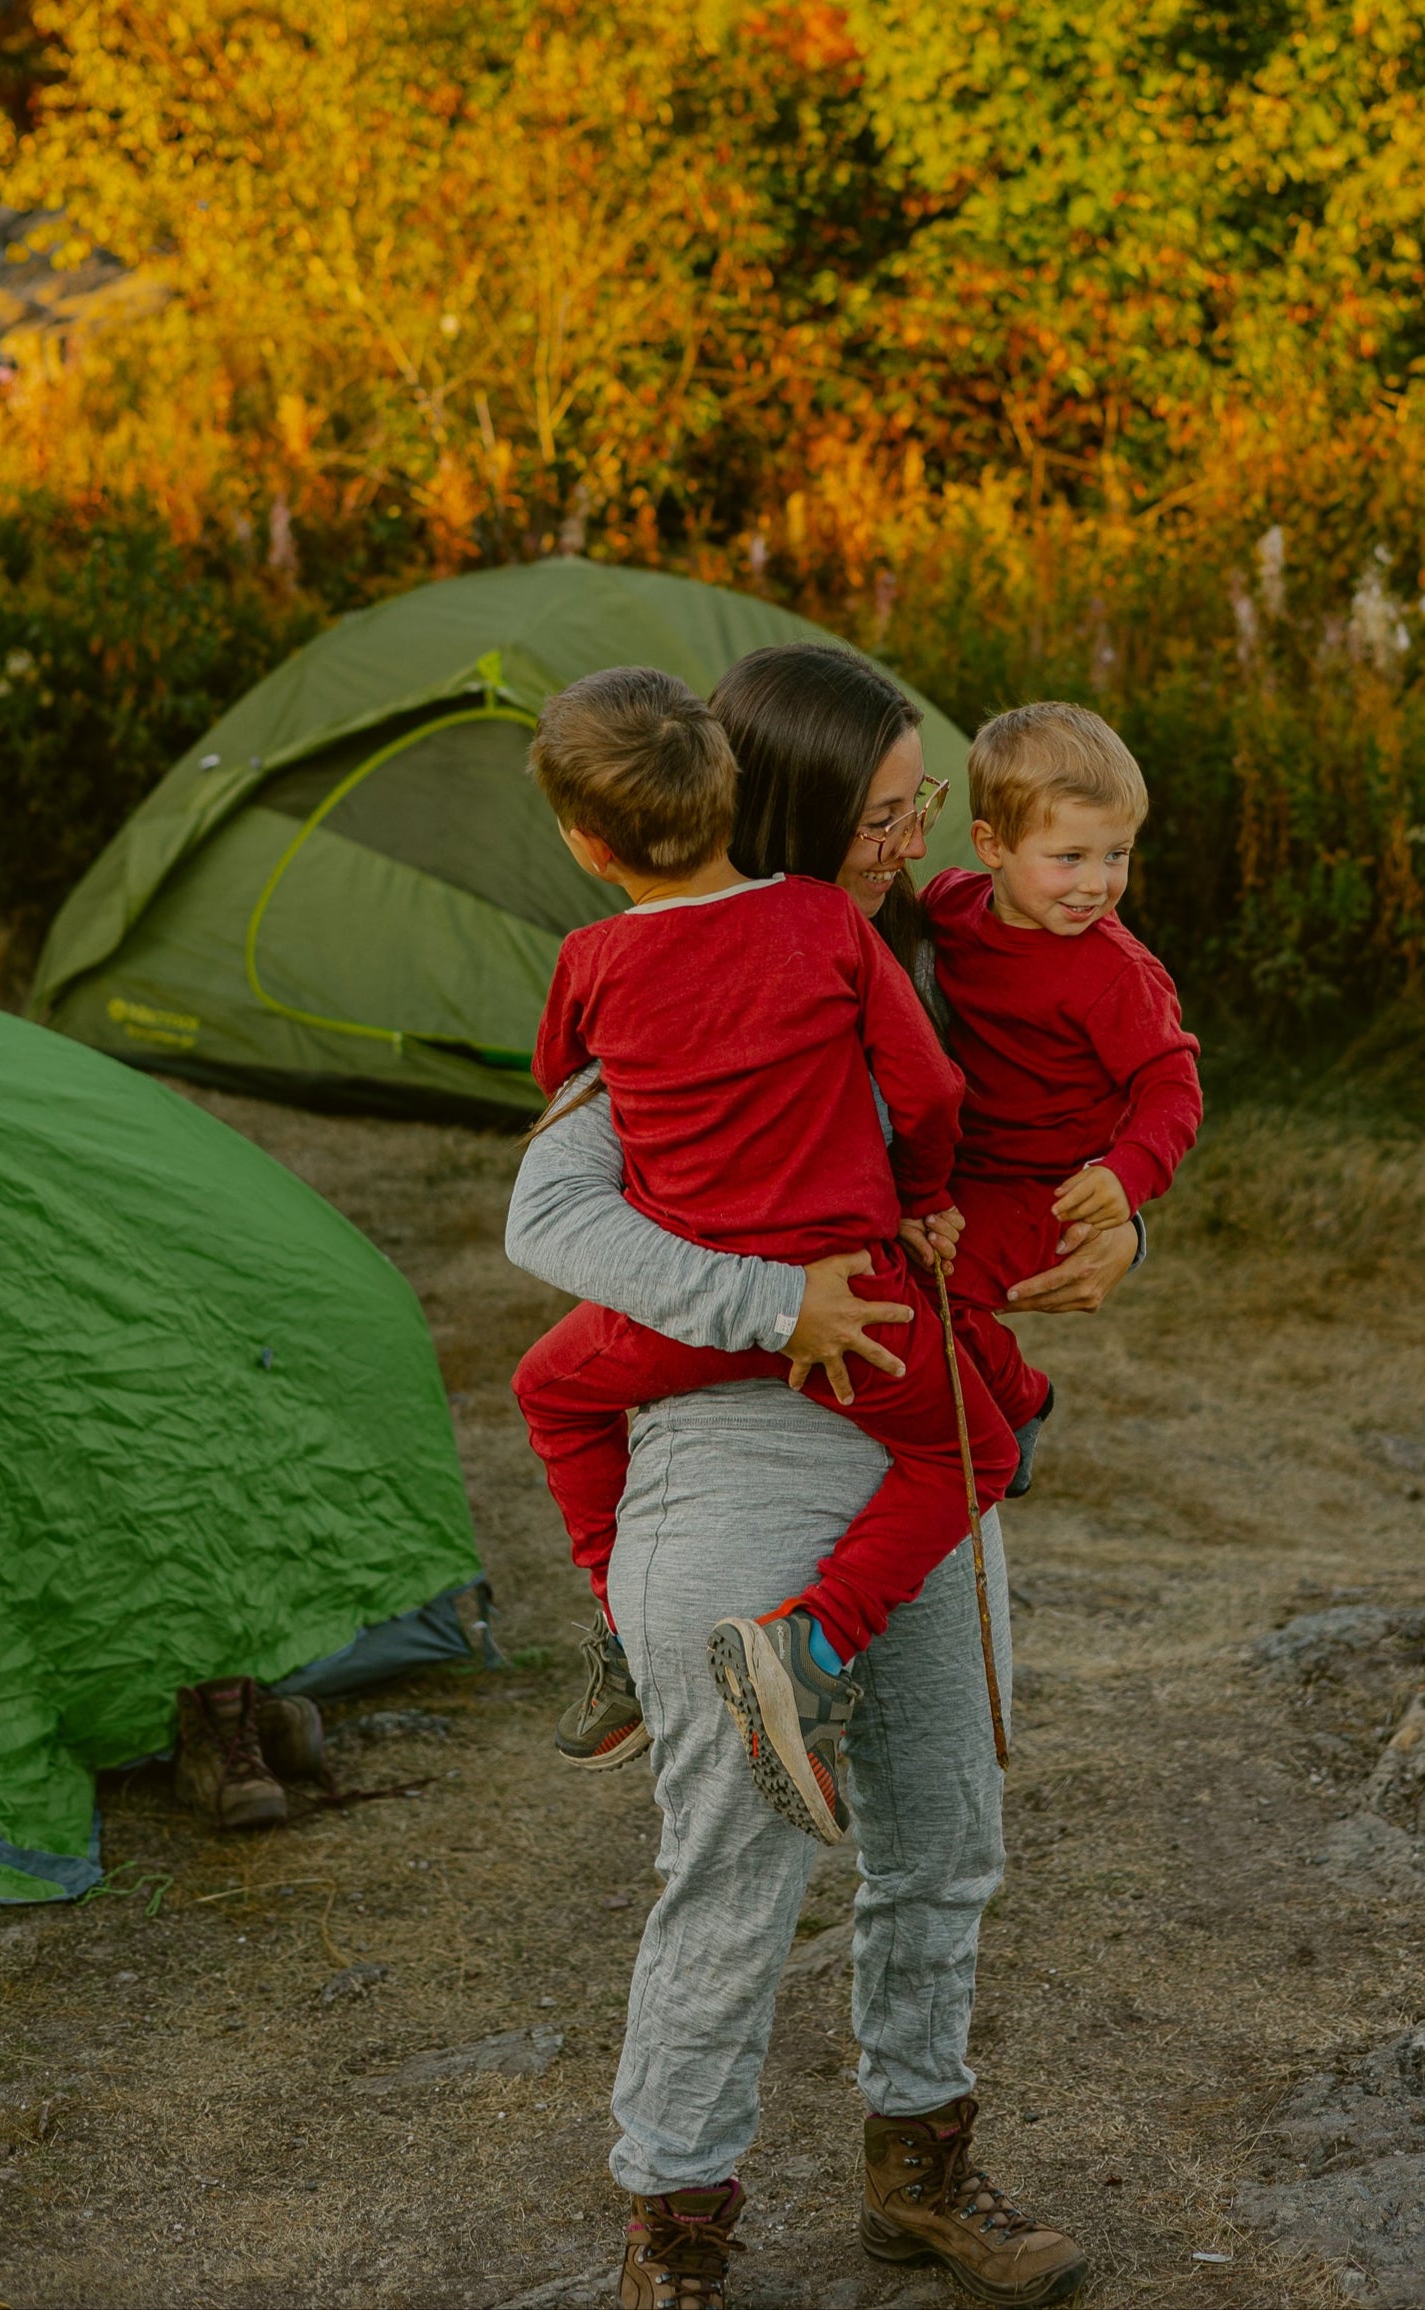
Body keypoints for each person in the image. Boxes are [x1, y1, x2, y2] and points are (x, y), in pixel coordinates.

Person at [506, 643, 1142, 2308]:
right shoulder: (679, 968)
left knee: (945, 1833)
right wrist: (771, 1298)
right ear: (785, 808)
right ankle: (678, 2232)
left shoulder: (923, 954)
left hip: (919, 1439)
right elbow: (554, 1215)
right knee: (735, 1866)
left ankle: (918, 2173)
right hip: (741, 1444)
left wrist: (1121, 1199)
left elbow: (1074, 1098)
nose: (915, 845)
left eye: (926, 813)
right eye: (884, 817)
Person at [514, 665, 1015, 1844]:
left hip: (677, 1327)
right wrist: (918, 1193)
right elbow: (932, 1092)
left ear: (588, 846)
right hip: (856, 1295)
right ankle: (813, 1643)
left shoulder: (590, 960)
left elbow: (558, 1077)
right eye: (884, 816)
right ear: (741, 785)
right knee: (972, 1453)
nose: (907, 838)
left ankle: (623, 1638)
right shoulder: (827, 923)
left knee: (548, 1391)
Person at [917, 700, 1202, 1495]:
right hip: (969, 1168)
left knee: (930, 1292)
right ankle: (989, 1406)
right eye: (1069, 856)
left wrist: (1127, 1174)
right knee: (905, 1274)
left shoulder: (1116, 974)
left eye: (1118, 854)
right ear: (992, 848)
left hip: (1048, 1189)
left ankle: (1016, 1402)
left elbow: (1172, 1087)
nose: (1097, 884)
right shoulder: (948, 906)